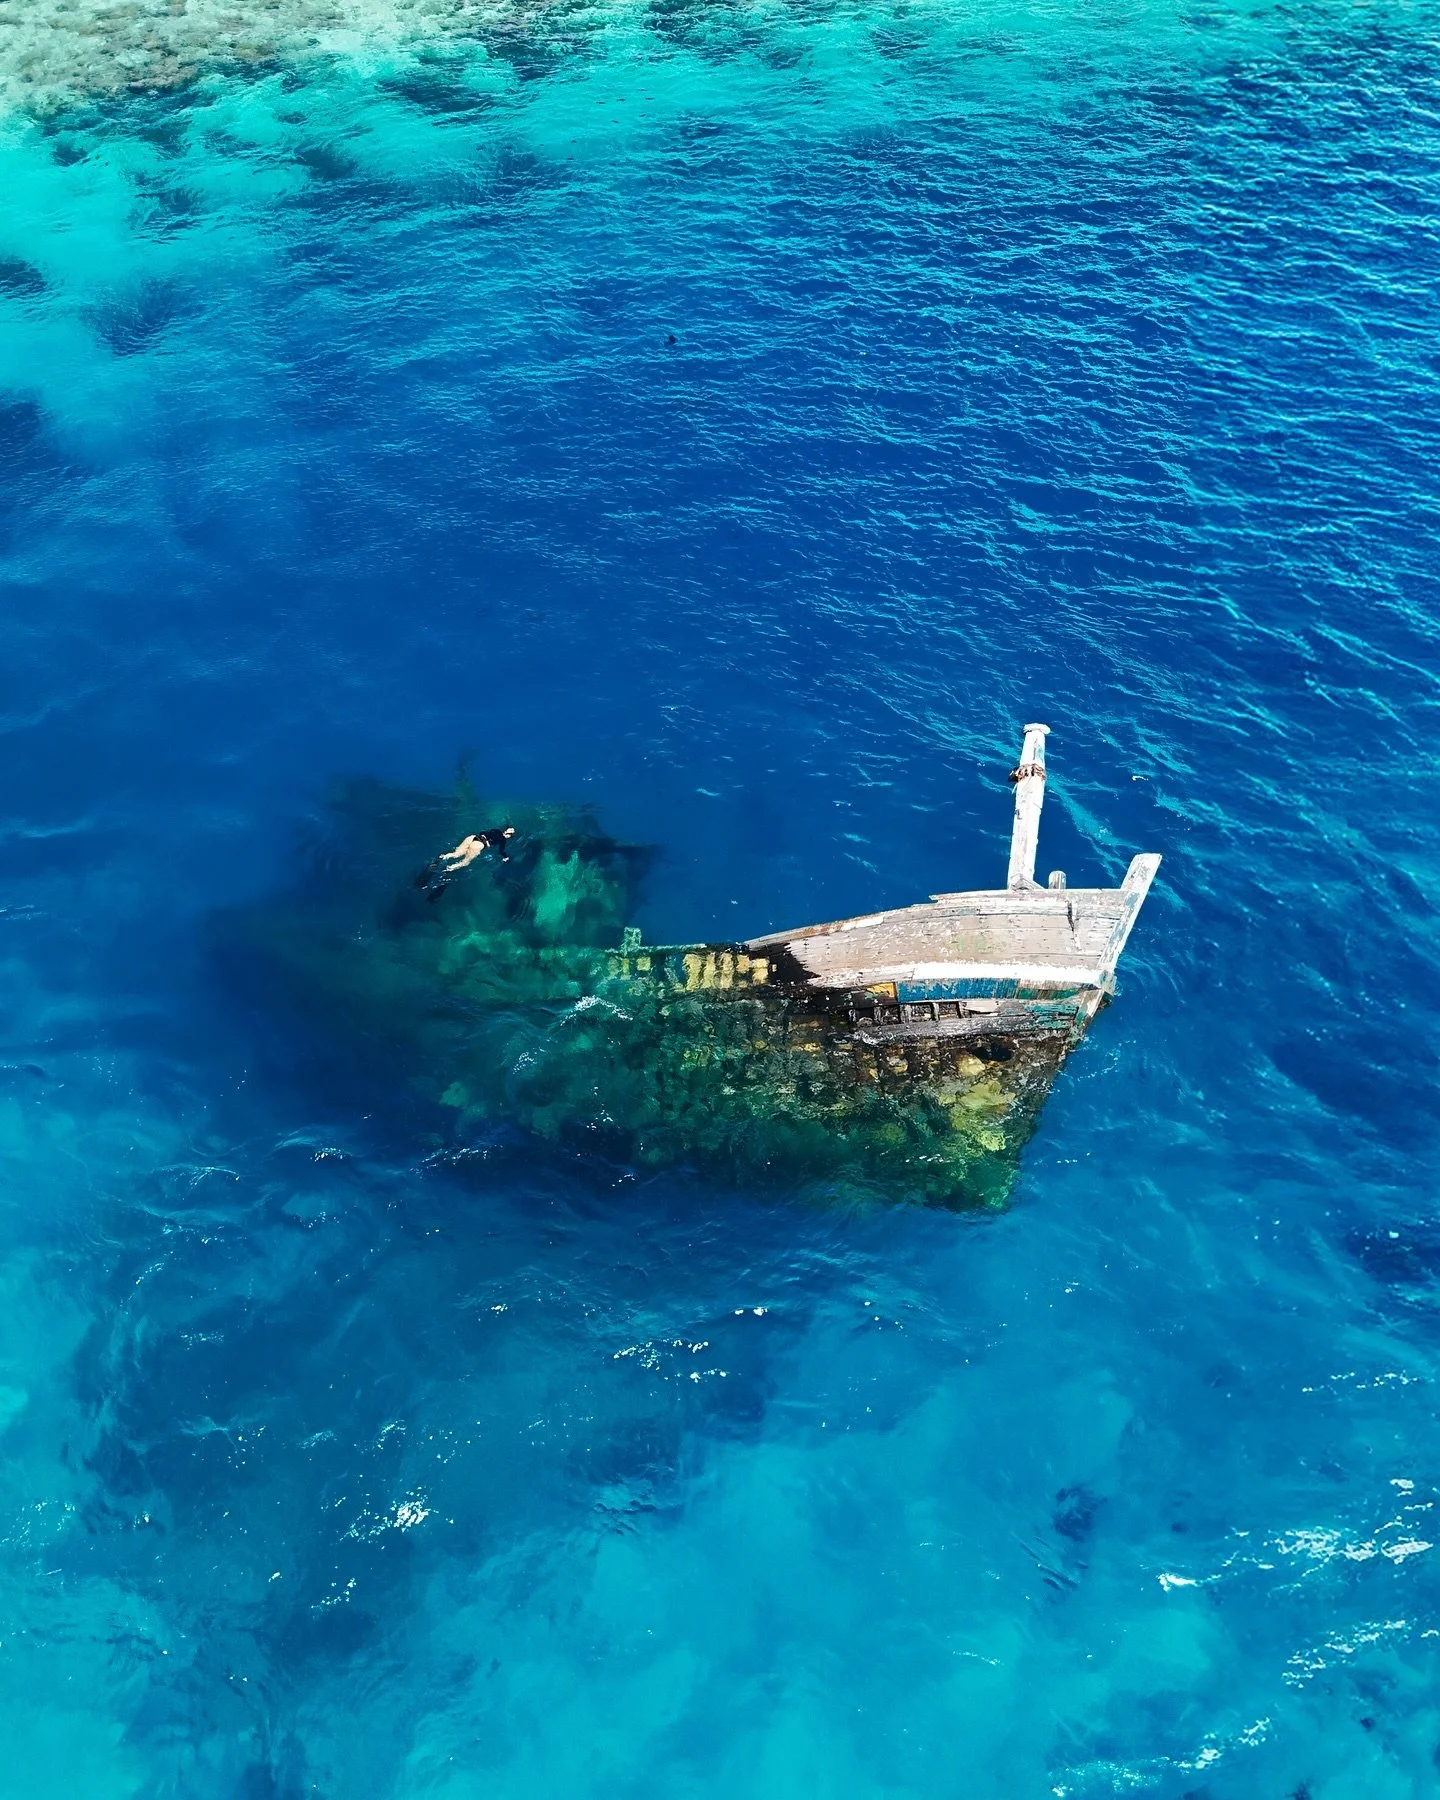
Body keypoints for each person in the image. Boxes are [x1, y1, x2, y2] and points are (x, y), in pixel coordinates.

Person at [415, 826, 515, 901]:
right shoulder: (503, 839)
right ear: (509, 835)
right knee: (464, 863)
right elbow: (501, 851)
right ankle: (446, 870)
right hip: (478, 845)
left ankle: (441, 858)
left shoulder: (496, 830)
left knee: (456, 854)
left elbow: (482, 832)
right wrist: (506, 858)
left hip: (472, 838)